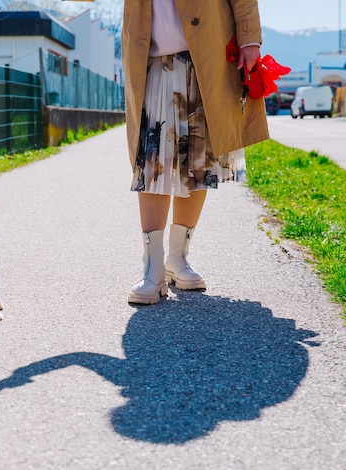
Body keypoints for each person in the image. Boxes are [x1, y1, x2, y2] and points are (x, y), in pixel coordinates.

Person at [123, 0, 270, 304]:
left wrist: (249, 38)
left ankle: (177, 258)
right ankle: (153, 267)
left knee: (199, 164)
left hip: (210, 52)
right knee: (153, 162)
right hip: (149, 58)